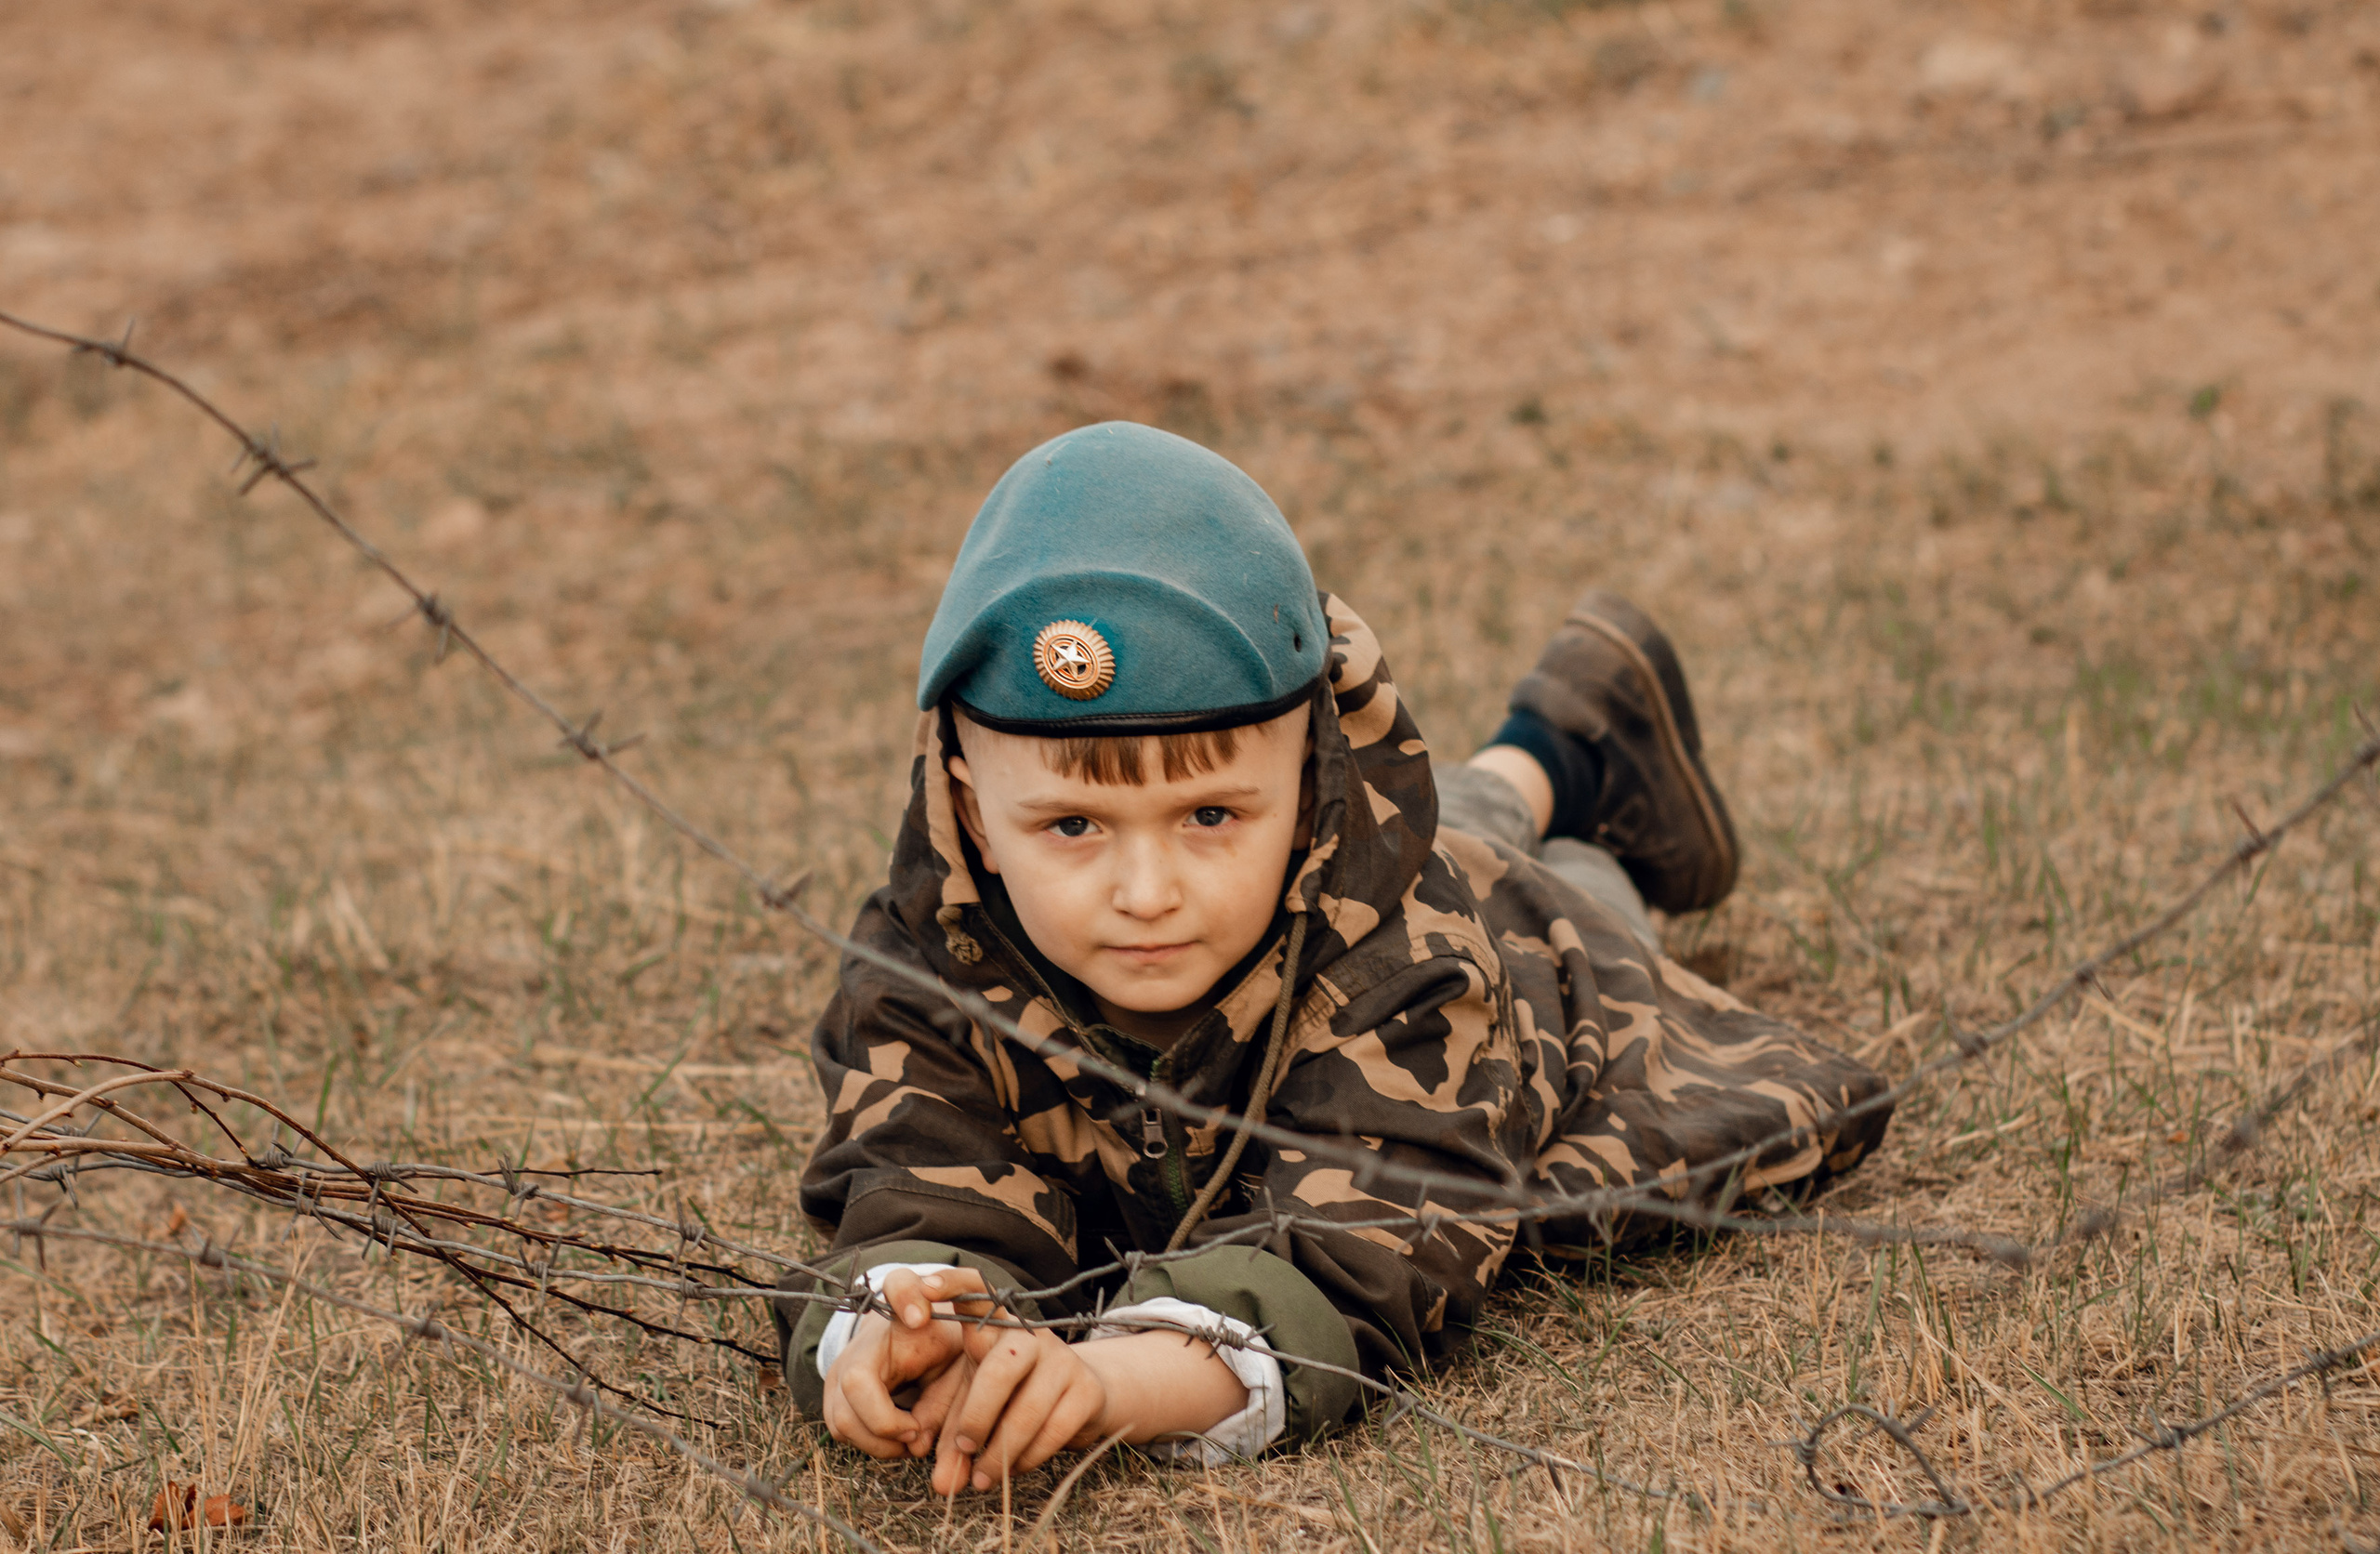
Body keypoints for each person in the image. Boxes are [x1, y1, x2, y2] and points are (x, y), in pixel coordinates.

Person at [774, 422, 1890, 1495]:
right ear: (971, 812)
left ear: (1315, 786)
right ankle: (1546, 742)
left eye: (1210, 813)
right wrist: (904, 1318)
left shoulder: (1417, 970)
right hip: (1379, 863)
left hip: (1540, 973)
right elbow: (910, 1174)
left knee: (1562, 899)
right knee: (1463, 827)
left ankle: (1576, 751)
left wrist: (1108, 1380)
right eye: (1071, 826)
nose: (1147, 892)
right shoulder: (929, 955)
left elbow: (1359, 1252)